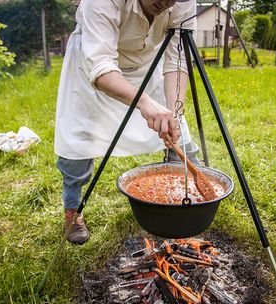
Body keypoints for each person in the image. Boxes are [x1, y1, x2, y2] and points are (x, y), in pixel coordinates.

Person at [54, 0, 200, 244]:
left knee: (178, 135)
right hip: (93, 70)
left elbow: (177, 60)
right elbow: (100, 66)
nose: (166, 3)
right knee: (78, 145)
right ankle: (73, 210)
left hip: (146, 65)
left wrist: (174, 113)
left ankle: (188, 201)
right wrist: (146, 104)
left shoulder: (185, 2)